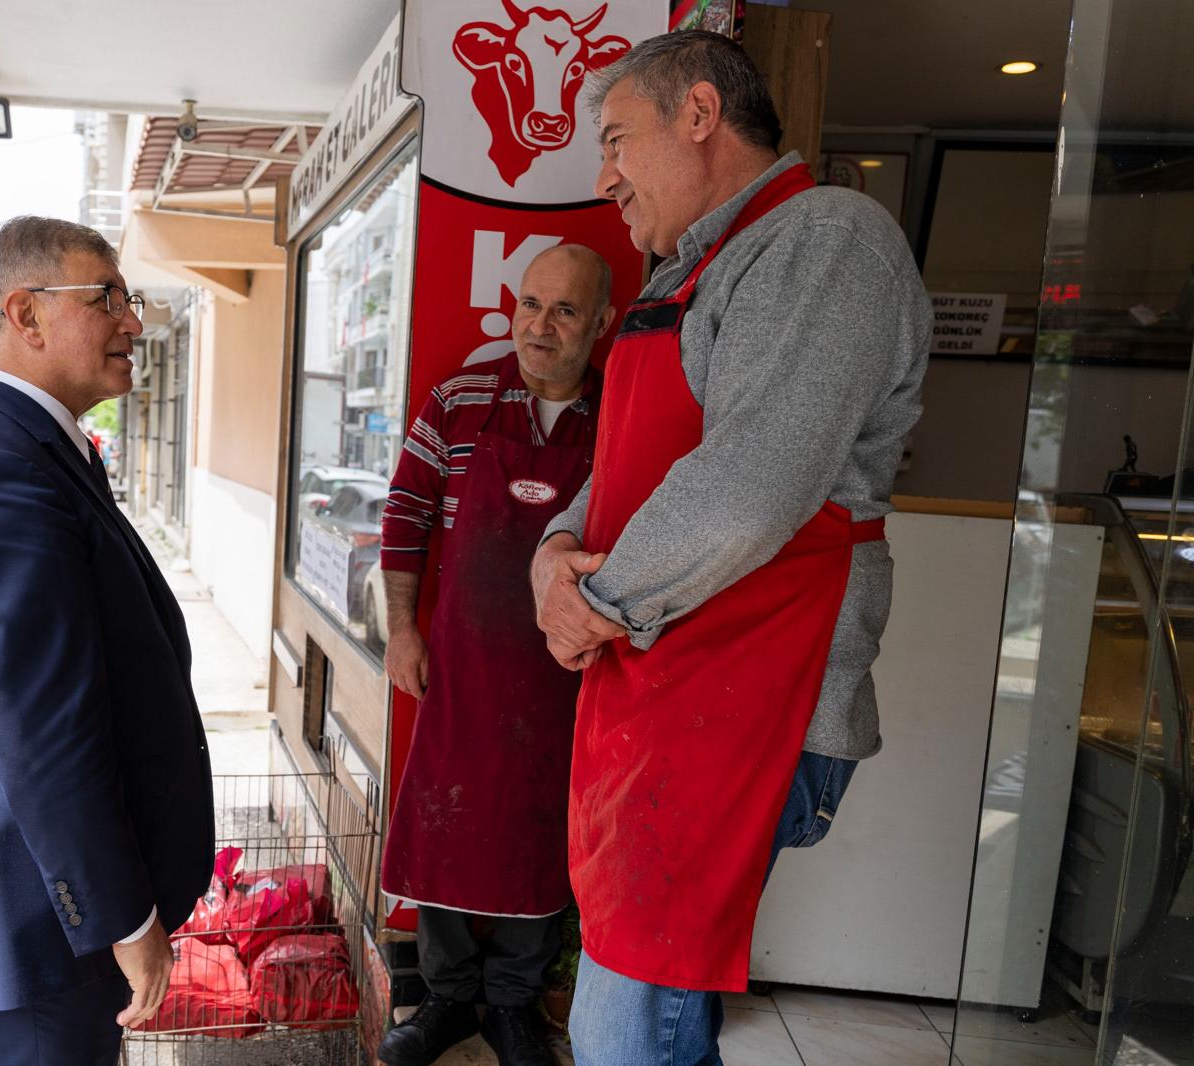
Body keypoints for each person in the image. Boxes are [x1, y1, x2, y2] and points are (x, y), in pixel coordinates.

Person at [529, 32, 931, 1065]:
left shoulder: (825, 239)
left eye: (616, 140)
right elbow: (627, 465)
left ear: (700, 114)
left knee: (623, 1030)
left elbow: (751, 485)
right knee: (636, 1014)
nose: (605, 176)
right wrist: (555, 548)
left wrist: (590, 605)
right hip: (665, 684)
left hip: (753, 688)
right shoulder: (694, 269)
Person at [0, 216, 215, 1065]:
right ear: (26, 314)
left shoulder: (30, 445)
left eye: (129, 299)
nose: (133, 321)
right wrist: (125, 919)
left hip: (39, 911)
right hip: (34, 920)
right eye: (107, 298)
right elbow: (41, 729)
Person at [378, 245, 615, 1066]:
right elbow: (405, 516)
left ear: (601, 323)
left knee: (540, 832)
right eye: (530, 305)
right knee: (446, 826)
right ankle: (446, 999)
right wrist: (403, 630)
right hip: (462, 669)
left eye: (565, 311)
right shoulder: (459, 400)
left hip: (569, 677)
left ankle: (514, 1003)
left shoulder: (619, 416)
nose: (539, 327)